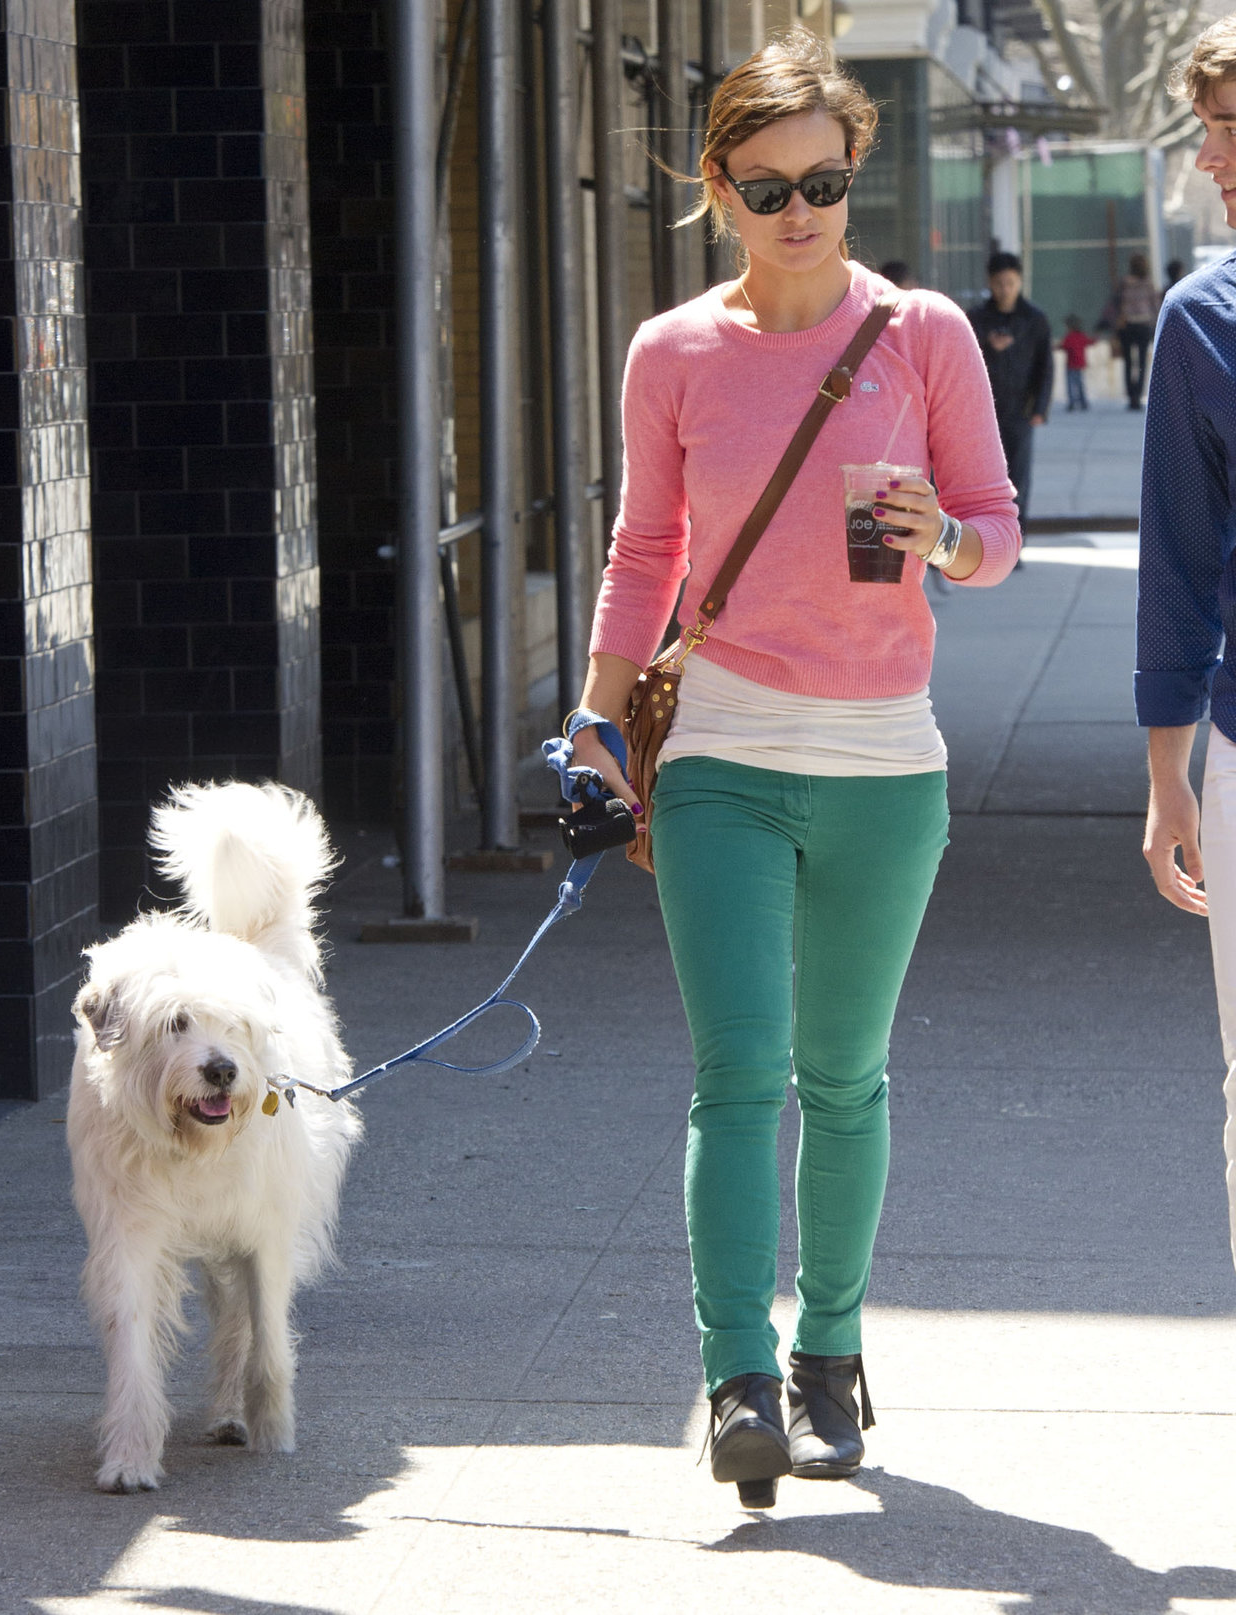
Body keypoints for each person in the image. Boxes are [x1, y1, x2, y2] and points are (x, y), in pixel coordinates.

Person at [565, 31, 1021, 1509]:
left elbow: (996, 530)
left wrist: (938, 539)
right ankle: (736, 1378)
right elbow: (646, 552)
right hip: (723, 759)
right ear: (719, 190)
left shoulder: (927, 334)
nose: (803, 210)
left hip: (888, 760)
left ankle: (831, 1357)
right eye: (768, 189)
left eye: (826, 180)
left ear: (854, 174)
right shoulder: (673, 352)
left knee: (844, 1076)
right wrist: (592, 722)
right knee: (738, 1071)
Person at [1137, 13, 1236, 1273]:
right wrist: (1171, 770)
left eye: (1231, 130)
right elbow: (1180, 563)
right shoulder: (1200, 320)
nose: (1214, 158)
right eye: (1209, 129)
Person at [969, 251, 1051, 538]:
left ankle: (1015, 540)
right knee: (983, 478)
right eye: (1000, 283)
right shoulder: (976, 318)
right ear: (990, 283)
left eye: (1011, 283)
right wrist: (991, 348)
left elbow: (1045, 367)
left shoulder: (1034, 319)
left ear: (1020, 282)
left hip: (1021, 411)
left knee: (1018, 479)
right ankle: (985, 538)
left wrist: (1040, 407)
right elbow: (964, 363)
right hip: (983, 412)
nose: (1006, 289)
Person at [1114, 252, 1162, 409]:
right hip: (1144, 325)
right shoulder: (1148, 283)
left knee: (1128, 362)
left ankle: (1131, 397)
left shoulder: (1124, 283)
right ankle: (1138, 396)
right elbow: (1155, 306)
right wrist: (1157, 324)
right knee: (1141, 362)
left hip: (1127, 325)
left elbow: (1117, 304)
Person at [1058, 313, 1093, 411]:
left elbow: (1063, 346)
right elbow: (1090, 341)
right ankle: (1083, 402)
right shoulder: (1081, 336)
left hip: (1071, 365)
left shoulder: (1069, 337)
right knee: (1080, 384)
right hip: (1080, 364)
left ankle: (1072, 402)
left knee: (1070, 385)